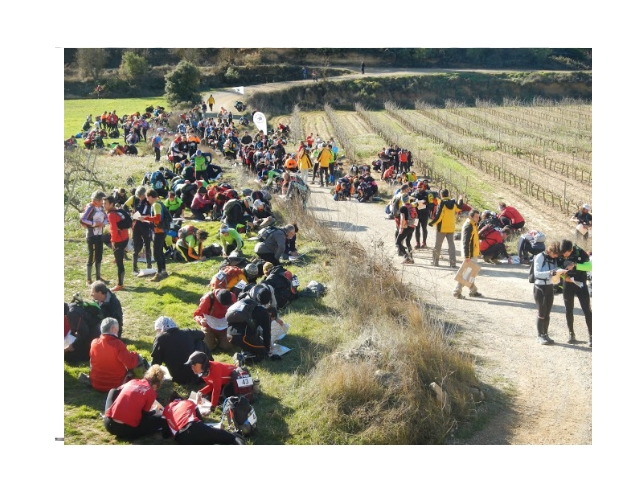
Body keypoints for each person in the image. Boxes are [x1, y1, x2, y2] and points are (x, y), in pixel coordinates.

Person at [103, 365, 168, 440]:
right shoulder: (151, 392)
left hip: (108, 424)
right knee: (160, 417)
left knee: (113, 391)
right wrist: (153, 412)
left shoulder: (133, 381)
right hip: (125, 429)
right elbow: (144, 417)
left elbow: (119, 391)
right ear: (155, 385)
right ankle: (129, 434)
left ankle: (109, 413)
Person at [532, 241, 573, 345]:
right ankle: (539, 336)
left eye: (557, 255)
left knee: (547, 313)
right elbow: (537, 273)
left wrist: (560, 271)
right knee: (541, 313)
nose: (555, 256)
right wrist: (550, 273)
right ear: (550, 250)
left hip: (550, 286)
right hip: (540, 287)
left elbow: (555, 270)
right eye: (554, 254)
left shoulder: (553, 258)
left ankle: (545, 334)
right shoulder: (540, 257)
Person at [89, 317, 146, 392]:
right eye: (118, 328)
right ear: (113, 329)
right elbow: (130, 364)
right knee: (138, 360)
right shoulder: (118, 345)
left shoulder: (94, 342)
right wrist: (135, 355)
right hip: (115, 385)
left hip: (96, 383)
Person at [151, 316, 208, 385]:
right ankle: (207, 369)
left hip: (179, 378)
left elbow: (156, 362)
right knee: (200, 342)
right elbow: (202, 334)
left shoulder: (160, 339)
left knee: (199, 342)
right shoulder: (187, 333)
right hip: (197, 374)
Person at [162, 397, 244, 445]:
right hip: (194, 428)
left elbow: (165, 434)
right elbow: (201, 420)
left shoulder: (166, 410)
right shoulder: (188, 402)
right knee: (227, 436)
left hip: (180, 438)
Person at [559, 239, 592, 347]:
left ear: (571, 249)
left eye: (566, 253)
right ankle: (571, 334)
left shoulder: (580, 252)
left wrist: (576, 265)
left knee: (587, 310)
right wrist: (565, 277)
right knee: (569, 309)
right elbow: (558, 268)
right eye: (563, 253)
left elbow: (590, 266)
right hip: (568, 284)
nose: (564, 255)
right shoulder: (561, 253)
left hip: (581, 284)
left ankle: (592, 336)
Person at [429, 189, 464, 268]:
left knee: (438, 245)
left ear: (441, 195)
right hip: (451, 228)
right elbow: (460, 207)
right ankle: (453, 263)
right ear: (448, 195)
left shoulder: (442, 203)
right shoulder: (453, 203)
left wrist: (432, 223)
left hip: (441, 228)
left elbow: (439, 216)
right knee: (451, 246)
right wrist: (461, 198)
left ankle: (435, 262)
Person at [80, 190, 108, 286]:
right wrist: (94, 224)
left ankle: (98, 276)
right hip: (91, 235)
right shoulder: (90, 207)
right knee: (91, 256)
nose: (102, 203)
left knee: (99, 255)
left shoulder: (101, 208)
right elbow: (83, 219)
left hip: (99, 234)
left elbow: (106, 218)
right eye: (101, 201)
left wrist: (103, 224)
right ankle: (88, 278)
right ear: (96, 200)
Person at [453, 210, 483, 299]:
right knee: (467, 274)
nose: (478, 218)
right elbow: (466, 242)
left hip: (473, 253)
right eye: (476, 217)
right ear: (471, 217)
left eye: (478, 216)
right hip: (470, 254)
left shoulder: (472, 224)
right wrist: (467, 256)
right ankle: (457, 292)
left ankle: (473, 290)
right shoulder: (469, 226)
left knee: (470, 273)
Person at [125, 187, 154, 275]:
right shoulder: (134, 199)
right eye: (139, 196)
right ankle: (134, 268)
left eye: (141, 196)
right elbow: (125, 207)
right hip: (136, 225)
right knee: (136, 247)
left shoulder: (149, 201)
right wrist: (131, 214)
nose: (140, 198)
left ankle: (149, 266)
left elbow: (152, 214)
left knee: (147, 245)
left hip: (146, 225)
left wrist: (145, 217)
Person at [103, 195, 129, 291]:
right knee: (119, 260)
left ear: (111, 204)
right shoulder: (119, 211)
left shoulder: (111, 215)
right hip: (125, 237)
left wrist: (113, 241)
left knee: (120, 264)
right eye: (103, 204)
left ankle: (120, 284)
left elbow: (114, 229)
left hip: (119, 239)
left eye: (105, 204)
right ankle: (120, 254)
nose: (104, 206)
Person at [143, 189, 169, 282]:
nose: (147, 200)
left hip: (159, 231)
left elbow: (157, 218)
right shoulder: (160, 203)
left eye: (147, 198)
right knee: (160, 251)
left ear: (150, 197)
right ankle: (163, 271)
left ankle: (159, 274)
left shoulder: (155, 204)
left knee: (156, 253)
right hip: (162, 230)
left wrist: (144, 218)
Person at [396, 195, 417, 264]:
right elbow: (416, 217)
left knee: (398, 242)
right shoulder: (412, 207)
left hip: (406, 227)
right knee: (408, 241)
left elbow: (402, 218)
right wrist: (414, 226)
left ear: (402, 200)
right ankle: (411, 258)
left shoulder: (403, 208)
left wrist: (401, 228)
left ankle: (406, 256)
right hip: (412, 226)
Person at [413, 181, 433, 249]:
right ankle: (417, 242)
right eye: (418, 187)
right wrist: (414, 204)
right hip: (416, 215)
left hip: (425, 214)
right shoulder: (414, 194)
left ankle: (424, 242)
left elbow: (432, 204)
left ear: (423, 187)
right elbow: (410, 203)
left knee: (424, 228)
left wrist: (426, 203)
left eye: (420, 187)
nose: (419, 188)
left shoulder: (428, 194)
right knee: (416, 228)